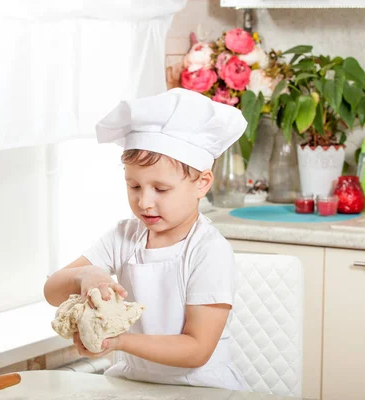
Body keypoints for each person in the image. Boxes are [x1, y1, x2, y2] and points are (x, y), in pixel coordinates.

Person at [43, 88, 249, 391]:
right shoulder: (124, 236)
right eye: (134, 186)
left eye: (161, 189)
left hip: (201, 388)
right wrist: (85, 275)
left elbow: (197, 349)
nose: (144, 202)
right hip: (133, 384)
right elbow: (51, 291)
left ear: (202, 183)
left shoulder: (208, 251)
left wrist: (119, 341)